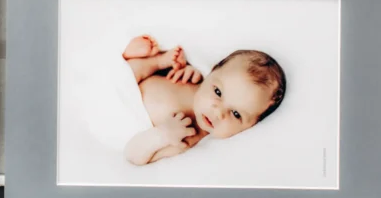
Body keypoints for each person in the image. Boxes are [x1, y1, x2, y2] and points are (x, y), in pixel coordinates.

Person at [121, 35, 287, 166]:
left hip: (116, 112)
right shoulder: (195, 80)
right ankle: (156, 60)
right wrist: (183, 69)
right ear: (212, 73)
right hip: (128, 83)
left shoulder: (186, 138)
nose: (218, 112)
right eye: (217, 92)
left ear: (250, 127)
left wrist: (162, 135)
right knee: (128, 73)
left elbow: (133, 155)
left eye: (236, 114)